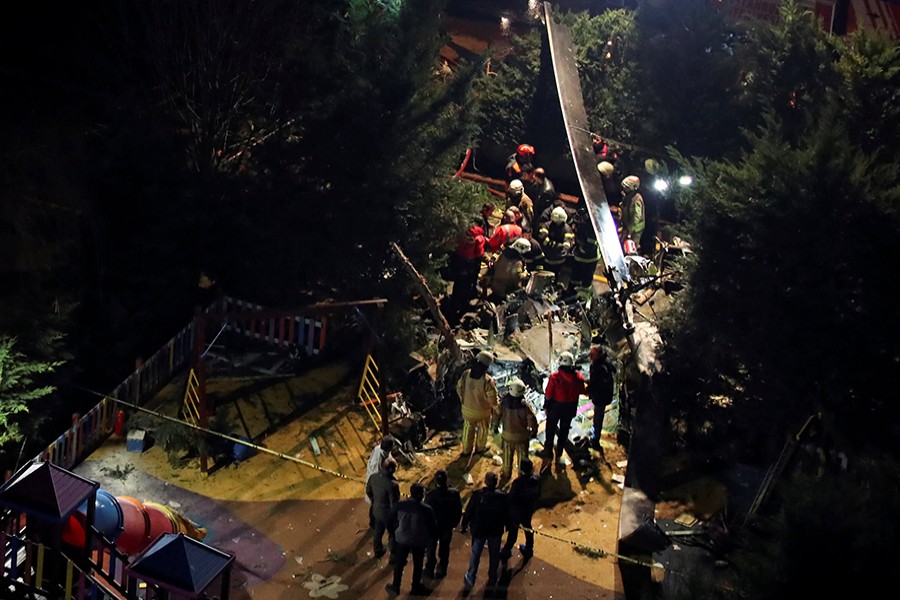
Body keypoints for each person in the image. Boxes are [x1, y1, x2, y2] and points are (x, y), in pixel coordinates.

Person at [385, 483, 437, 596]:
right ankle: (415, 587)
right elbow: (432, 527)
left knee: (399, 564)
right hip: (418, 541)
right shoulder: (427, 509)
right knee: (418, 565)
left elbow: (389, 519)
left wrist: (394, 533)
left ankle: (395, 586)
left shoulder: (400, 505)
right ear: (421, 495)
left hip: (402, 539)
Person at [461, 471, 509, 592]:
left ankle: (471, 577)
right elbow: (507, 513)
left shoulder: (478, 495)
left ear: (486, 482)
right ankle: (492, 578)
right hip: (495, 531)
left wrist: (464, 524)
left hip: (479, 530)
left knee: (475, 554)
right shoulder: (502, 497)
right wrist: (507, 526)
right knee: (494, 555)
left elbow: (469, 511)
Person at [541, 351, 586, 469]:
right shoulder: (578, 378)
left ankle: (548, 451)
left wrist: (546, 406)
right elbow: (582, 390)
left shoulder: (555, 377)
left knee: (550, 429)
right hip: (570, 407)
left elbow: (548, 394)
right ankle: (559, 454)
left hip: (555, 407)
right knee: (564, 430)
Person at [456, 351, 500, 455]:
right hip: (483, 412)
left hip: (467, 410)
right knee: (483, 429)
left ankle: (466, 450)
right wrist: (497, 408)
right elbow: (493, 400)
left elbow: (459, 388)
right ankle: (480, 448)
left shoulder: (466, 374)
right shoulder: (488, 381)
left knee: (468, 429)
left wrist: (464, 400)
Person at [494, 377, 537, 481]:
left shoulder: (503, 403)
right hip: (522, 437)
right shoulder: (525, 406)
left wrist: (495, 426)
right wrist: (533, 432)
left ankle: (506, 475)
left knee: (507, 459)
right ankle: (522, 478)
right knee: (522, 459)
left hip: (507, 436)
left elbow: (496, 415)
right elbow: (532, 420)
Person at [424, 470, 463, 579]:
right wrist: (454, 523)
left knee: (431, 549)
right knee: (444, 548)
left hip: (433, 528)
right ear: (447, 480)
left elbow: (426, 513)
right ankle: (442, 568)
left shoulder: (431, 496)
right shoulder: (454, 494)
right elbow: (458, 510)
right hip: (447, 527)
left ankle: (429, 568)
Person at [500, 458, 541, 562]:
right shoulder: (536, 480)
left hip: (517, 510)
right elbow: (538, 494)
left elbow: (511, 498)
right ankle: (529, 548)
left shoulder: (518, 482)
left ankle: (507, 550)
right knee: (528, 526)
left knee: (513, 531)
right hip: (529, 508)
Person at [366, 456, 400, 560]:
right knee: (393, 534)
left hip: (376, 510)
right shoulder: (393, 485)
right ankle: (393, 556)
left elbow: (368, 491)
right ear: (391, 470)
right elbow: (394, 503)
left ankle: (377, 551)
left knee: (378, 531)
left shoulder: (373, 477)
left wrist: (374, 501)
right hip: (388, 514)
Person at [587, 343, 616, 450]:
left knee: (598, 417)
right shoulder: (606, 362)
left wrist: (588, 389)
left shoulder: (599, 367)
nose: (590, 356)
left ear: (598, 354)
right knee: (598, 415)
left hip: (601, 397)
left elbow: (597, 384)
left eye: (592, 354)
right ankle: (595, 432)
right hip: (604, 395)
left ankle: (595, 440)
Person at [535, 206, 574, 279]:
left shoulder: (567, 229)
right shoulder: (546, 226)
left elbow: (568, 243)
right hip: (547, 258)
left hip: (559, 259)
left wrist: (560, 247)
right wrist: (556, 245)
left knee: (555, 277)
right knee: (545, 276)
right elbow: (541, 238)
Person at [365, 437, 396, 528]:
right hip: (376, 485)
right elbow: (377, 475)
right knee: (376, 504)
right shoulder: (378, 461)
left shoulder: (379, 449)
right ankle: (373, 523)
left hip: (378, 482)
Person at [620, 175, 645, 253]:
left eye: (626, 187)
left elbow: (637, 217)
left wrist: (629, 230)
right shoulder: (629, 195)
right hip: (628, 226)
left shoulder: (636, 199)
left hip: (635, 229)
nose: (624, 188)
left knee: (630, 247)